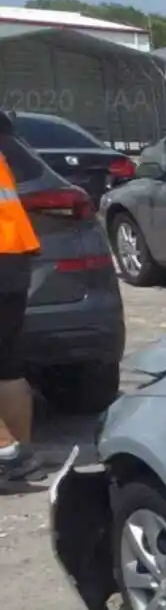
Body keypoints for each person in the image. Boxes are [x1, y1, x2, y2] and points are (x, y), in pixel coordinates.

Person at [0, 109, 45, 489]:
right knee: (7, 366)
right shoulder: (4, 152)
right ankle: (22, 459)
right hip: (13, 258)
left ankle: (5, 453)